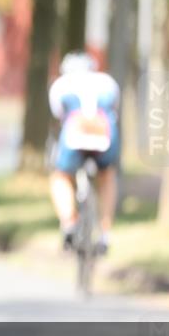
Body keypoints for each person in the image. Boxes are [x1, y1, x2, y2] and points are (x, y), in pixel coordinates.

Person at [48, 51, 120, 253]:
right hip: (104, 132)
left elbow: (59, 115)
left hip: (74, 134)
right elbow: (114, 109)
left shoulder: (60, 85)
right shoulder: (107, 82)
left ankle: (69, 221)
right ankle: (105, 233)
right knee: (107, 175)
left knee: (60, 175)